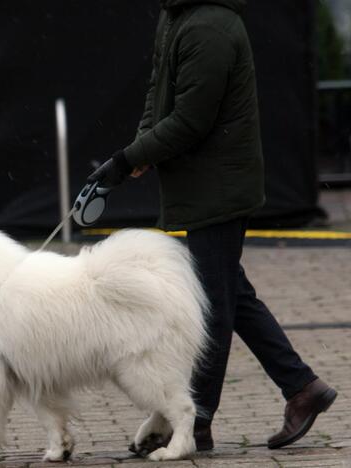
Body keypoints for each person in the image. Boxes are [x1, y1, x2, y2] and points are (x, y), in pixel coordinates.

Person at [87, 0, 337, 454]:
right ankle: (303, 389)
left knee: (212, 308)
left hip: (219, 190)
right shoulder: (175, 16)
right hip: (200, 186)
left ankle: (194, 422)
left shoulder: (211, 28)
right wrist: (140, 150)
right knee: (230, 294)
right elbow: (157, 92)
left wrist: (129, 159)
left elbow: (190, 120)